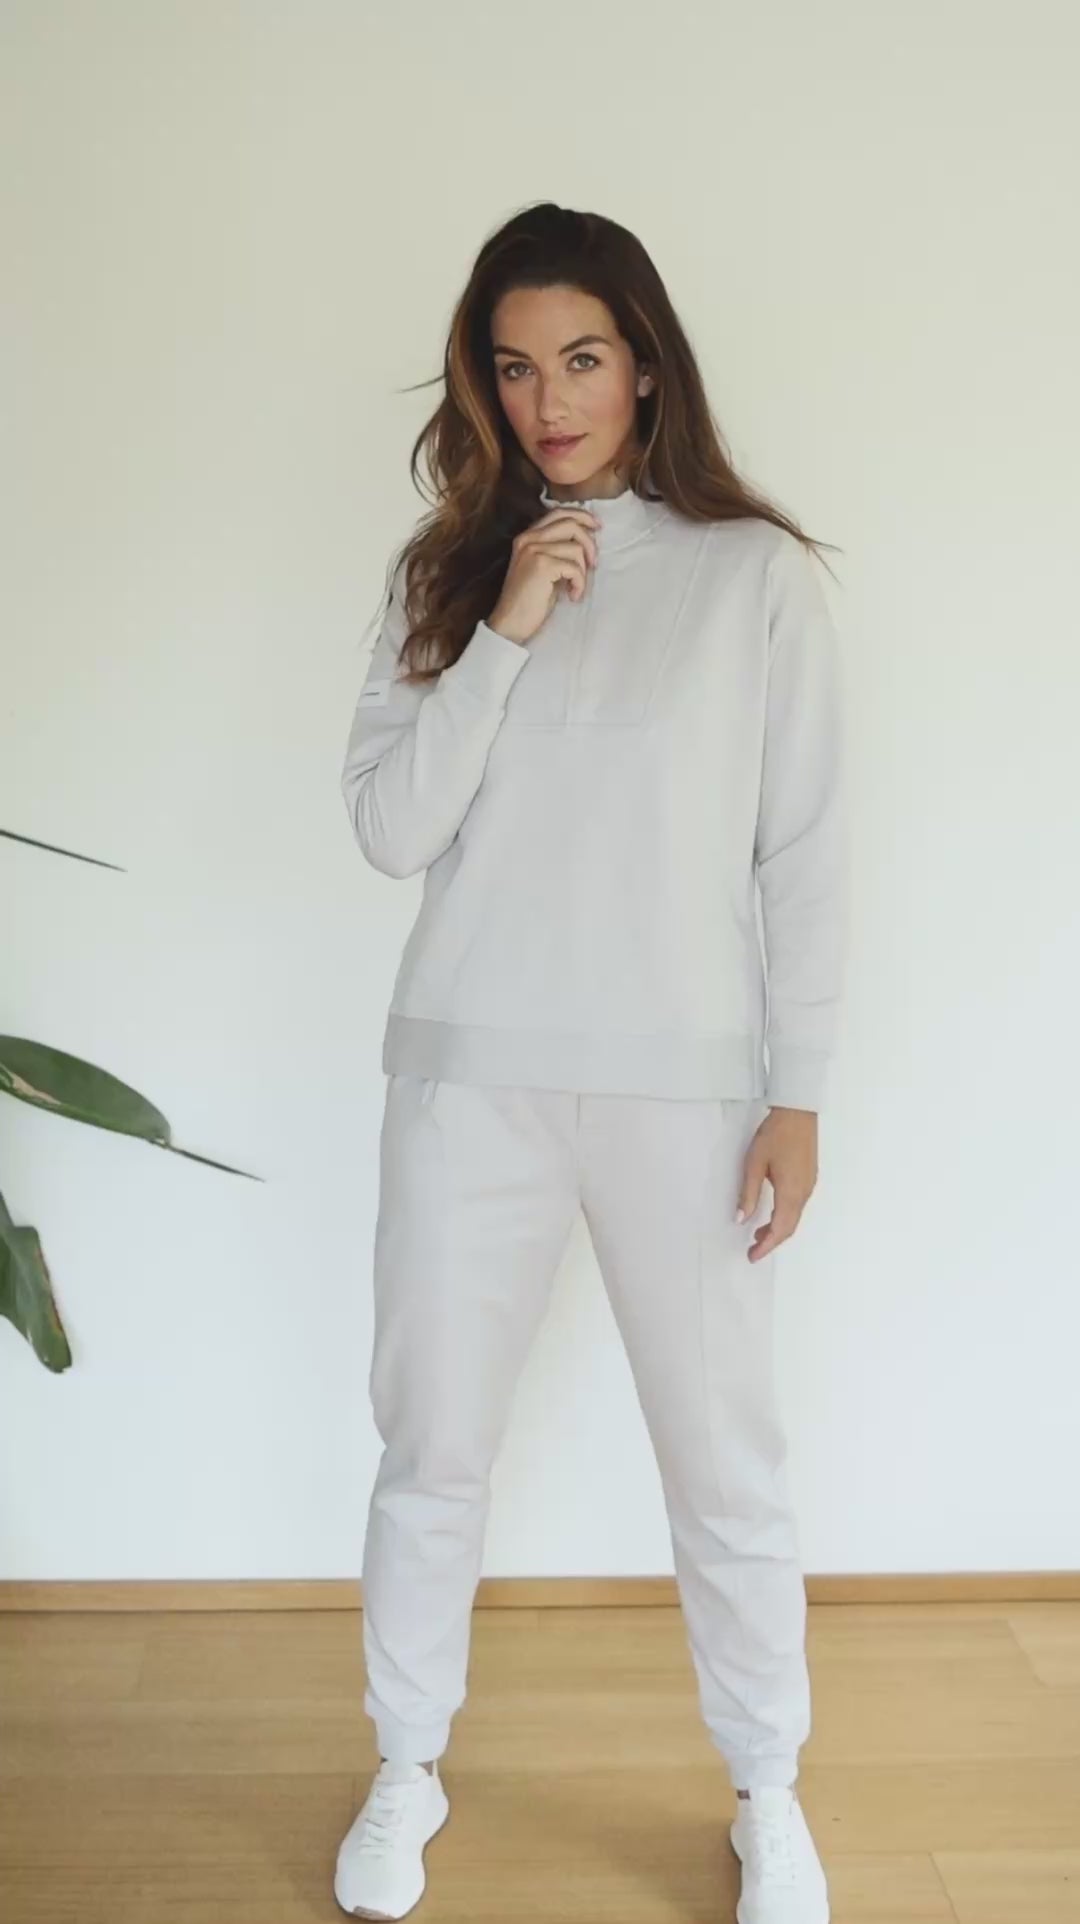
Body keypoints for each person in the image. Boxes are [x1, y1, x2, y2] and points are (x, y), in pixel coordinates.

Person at [335, 201, 849, 1924]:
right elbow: (391, 831)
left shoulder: (753, 578)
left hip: (684, 1093)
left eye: (581, 358)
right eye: (513, 366)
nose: (549, 401)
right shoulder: (446, 575)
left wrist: (799, 1093)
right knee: (431, 1444)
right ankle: (408, 1763)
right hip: (465, 1080)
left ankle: (768, 1792)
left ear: (644, 364)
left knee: (725, 1461)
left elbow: (803, 854)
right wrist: (505, 632)